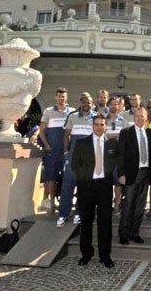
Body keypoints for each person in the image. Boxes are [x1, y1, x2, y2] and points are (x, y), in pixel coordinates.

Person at [71, 114, 117, 268]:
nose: (99, 127)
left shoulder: (112, 144)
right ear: (92, 125)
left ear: (106, 126)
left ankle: (105, 255)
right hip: (86, 188)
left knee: (105, 223)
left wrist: (107, 175)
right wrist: (85, 179)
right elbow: (75, 165)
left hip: (104, 187)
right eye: (96, 124)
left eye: (102, 124)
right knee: (86, 223)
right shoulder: (82, 143)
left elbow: (115, 162)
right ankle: (86, 254)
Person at [117, 107, 151, 244]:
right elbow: (120, 154)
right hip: (130, 174)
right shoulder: (126, 132)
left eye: (142, 116)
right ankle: (123, 233)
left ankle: (134, 232)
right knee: (128, 203)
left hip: (146, 173)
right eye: (138, 116)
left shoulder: (150, 133)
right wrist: (121, 174)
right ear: (134, 117)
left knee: (140, 204)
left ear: (146, 118)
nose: (140, 118)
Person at [56, 92, 94, 228]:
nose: (86, 104)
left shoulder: (96, 118)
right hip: (72, 158)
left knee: (84, 188)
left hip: (88, 160)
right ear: (80, 103)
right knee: (67, 187)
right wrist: (66, 153)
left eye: (88, 102)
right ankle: (63, 214)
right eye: (84, 102)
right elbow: (66, 136)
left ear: (92, 104)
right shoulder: (72, 117)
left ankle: (78, 213)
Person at [38, 87, 74, 214]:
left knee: (67, 179)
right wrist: (47, 145)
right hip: (52, 152)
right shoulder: (48, 111)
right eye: (59, 96)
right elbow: (41, 131)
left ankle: (65, 205)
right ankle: (52, 204)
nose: (61, 98)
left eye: (63, 96)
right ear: (55, 97)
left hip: (66, 152)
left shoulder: (72, 112)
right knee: (51, 178)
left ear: (66, 97)